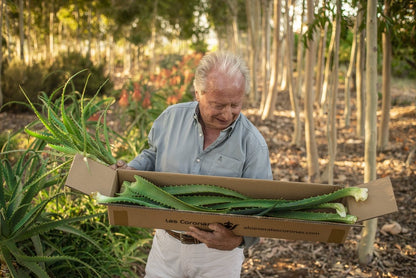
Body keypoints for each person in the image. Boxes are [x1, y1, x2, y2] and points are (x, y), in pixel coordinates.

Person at [112, 51, 273, 278]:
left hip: (218, 256)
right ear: (198, 93)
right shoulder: (170, 118)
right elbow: (152, 154)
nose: (227, 114)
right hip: (166, 245)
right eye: (218, 105)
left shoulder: (253, 144)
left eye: (235, 104)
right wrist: (132, 169)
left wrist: (239, 239)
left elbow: (264, 206)